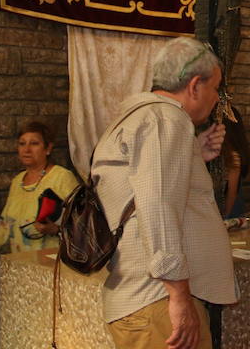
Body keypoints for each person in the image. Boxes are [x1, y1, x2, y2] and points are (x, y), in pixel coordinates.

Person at [91, 37, 236, 349]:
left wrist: (194, 152)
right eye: (216, 87)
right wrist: (179, 295)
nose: (216, 98)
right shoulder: (164, 118)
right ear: (195, 85)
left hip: (150, 300)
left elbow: (147, 182)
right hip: (157, 300)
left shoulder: (146, 116)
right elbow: (157, 206)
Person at [0, 121, 79, 279]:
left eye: (34, 143)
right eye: (22, 144)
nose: (27, 149)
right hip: (21, 267)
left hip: (53, 268)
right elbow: (5, 223)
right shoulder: (18, 181)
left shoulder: (62, 177)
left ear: (48, 148)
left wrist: (56, 230)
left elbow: (82, 221)